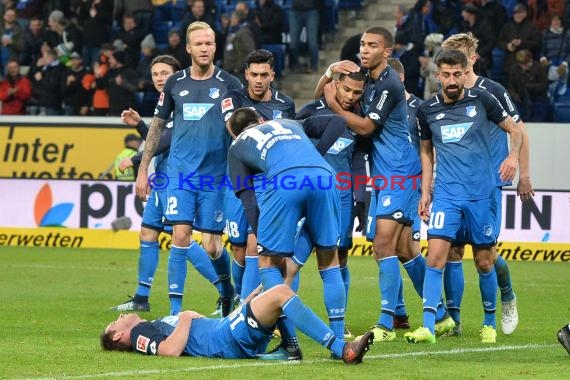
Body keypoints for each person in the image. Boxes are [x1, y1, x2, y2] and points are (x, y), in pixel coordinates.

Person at [316, 26, 453, 343]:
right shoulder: (368, 79)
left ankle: (386, 323)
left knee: (382, 245)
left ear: (387, 52)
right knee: (405, 250)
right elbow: (321, 95)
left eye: (372, 45)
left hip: (400, 172)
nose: (364, 49)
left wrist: (335, 106)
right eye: (362, 44)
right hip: (384, 173)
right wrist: (329, 73)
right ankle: (442, 316)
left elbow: (364, 127)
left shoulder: (389, 82)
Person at [405, 49, 522, 344]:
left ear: (465, 71)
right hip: (446, 195)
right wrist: (425, 192)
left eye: (457, 74)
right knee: (434, 258)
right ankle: (429, 327)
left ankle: (489, 323)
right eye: (446, 74)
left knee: (484, 261)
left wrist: (513, 157)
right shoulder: (426, 110)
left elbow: (515, 130)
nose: (452, 80)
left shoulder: (482, 100)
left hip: (481, 195)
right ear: (437, 74)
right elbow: (426, 154)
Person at [135, 21, 243, 317]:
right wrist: (144, 169)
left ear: (214, 46)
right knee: (180, 235)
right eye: (199, 44)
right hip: (180, 175)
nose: (204, 48)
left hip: (216, 177)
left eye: (209, 43)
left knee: (212, 246)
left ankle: (227, 289)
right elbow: (157, 128)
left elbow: (240, 129)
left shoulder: (230, 83)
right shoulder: (175, 83)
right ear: (188, 48)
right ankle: (174, 312)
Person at [226, 108, 349, 359]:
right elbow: (338, 121)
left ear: (233, 133)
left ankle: (291, 345)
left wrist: (263, 238)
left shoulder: (237, 146)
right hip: (325, 176)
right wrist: (316, 153)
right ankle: (337, 340)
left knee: (269, 263)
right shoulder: (290, 122)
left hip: (284, 181)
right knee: (329, 261)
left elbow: (248, 201)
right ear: (261, 120)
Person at [440, 33, 534, 336]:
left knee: (485, 257)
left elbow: (520, 132)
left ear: (473, 58)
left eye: (459, 56)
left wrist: (523, 173)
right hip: (453, 187)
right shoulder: (444, 93)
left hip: (487, 185)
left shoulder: (490, 90)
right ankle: (453, 322)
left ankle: (506, 294)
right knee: (452, 252)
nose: (454, 64)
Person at [284, 70, 366, 340]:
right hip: (305, 196)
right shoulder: (312, 111)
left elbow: (356, 162)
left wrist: (361, 200)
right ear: (335, 86)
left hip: (341, 199)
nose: (351, 97)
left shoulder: (358, 120)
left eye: (357, 93)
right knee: (289, 258)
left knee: (338, 257)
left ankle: (339, 327)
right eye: (347, 90)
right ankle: (284, 320)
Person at [101, 284, 374, 364]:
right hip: (227, 339)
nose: (120, 317)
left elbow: (200, 333)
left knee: (280, 285)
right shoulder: (139, 332)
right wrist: (185, 317)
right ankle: (342, 349)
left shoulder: (151, 325)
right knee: (280, 292)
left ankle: (292, 349)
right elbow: (168, 351)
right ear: (117, 337)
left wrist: (240, 311)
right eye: (115, 322)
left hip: (227, 332)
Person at [220, 49, 295, 304]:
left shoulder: (285, 105)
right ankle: (236, 296)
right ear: (246, 75)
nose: (259, 80)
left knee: (256, 243)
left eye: (264, 74)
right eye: (254, 74)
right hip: (237, 181)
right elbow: (234, 130)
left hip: (267, 185)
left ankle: (247, 306)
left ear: (272, 75)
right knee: (238, 249)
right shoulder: (232, 98)